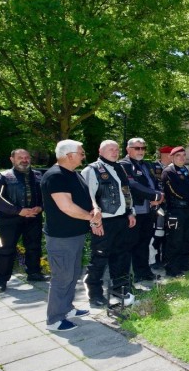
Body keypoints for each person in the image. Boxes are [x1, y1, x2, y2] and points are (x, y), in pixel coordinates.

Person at [42, 140, 95, 331]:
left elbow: (88, 197)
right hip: (62, 237)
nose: (83, 156)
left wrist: (95, 209)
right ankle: (55, 319)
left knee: (72, 274)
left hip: (75, 234)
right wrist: (91, 217)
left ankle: (67, 308)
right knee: (62, 277)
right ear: (69, 155)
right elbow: (67, 207)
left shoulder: (73, 174)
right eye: (81, 153)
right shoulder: (55, 176)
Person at [82, 140, 137, 308]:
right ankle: (94, 294)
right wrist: (94, 222)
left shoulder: (120, 168)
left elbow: (126, 192)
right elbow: (87, 198)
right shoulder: (91, 170)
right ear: (100, 151)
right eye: (110, 149)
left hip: (122, 220)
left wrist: (130, 212)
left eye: (116, 149)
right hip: (103, 222)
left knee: (122, 257)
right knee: (99, 258)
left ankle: (121, 289)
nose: (114, 152)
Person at [0, 148, 46, 291]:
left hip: (33, 217)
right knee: (6, 249)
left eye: (27, 157)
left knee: (34, 246)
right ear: (12, 159)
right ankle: (1, 280)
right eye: (20, 158)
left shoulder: (38, 175)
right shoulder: (3, 177)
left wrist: (40, 207)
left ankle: (34, 273)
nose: (24, 160)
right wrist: (18, 211)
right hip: (9, 220)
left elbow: (46, 195)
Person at [119, 138, 163, 284]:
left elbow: (156, 182)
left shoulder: (147, 164)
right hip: (134, 211)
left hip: (149, 210)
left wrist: (159, 195)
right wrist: (155, 195)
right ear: (128, 149)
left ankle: (144, 272)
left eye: (143, 148)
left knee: (144, 242)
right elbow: (133, 185)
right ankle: (132, 276)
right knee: (133, 244)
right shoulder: (124, 165)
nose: (140, 151)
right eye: (137, 148)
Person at [161, 146, 189, 277]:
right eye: (178, 155)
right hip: (175, 211)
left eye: (184, 155)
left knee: (188, 238)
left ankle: (184, 263)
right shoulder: (168, 172)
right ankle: (172, 268)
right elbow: (174, 191)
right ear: (172, 157)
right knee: (175, 240)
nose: (182, 158)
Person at [151, 146, 173, 267]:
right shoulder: (153, 167)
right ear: (165, 155)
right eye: (171, 154)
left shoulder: (173, 168)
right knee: (157, 233)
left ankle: (167, 258)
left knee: (169, 233)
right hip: (157, 206)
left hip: (171, 206)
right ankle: (155, 260)